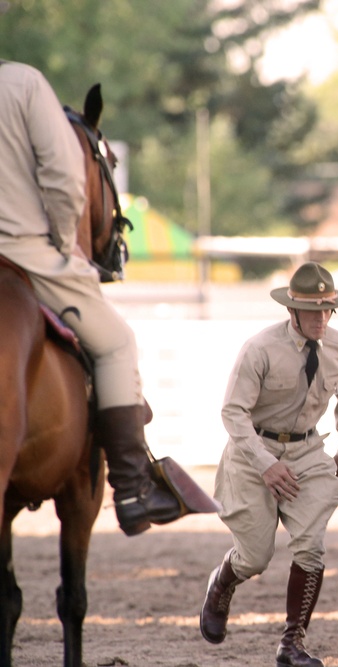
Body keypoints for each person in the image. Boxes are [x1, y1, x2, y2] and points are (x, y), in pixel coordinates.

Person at [0, 59, 215, 536]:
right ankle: (133, 488)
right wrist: (62, 243)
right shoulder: (23, 83)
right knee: (117, 341)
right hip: (22, 252)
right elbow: (64, 173)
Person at [200, 262, 338, 667]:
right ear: (291, 310)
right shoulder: (260, 349)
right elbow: (233, 412)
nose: (321, 319)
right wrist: (265, 463)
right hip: (252, 451)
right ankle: (223, 581)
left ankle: (293, 643)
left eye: (327, 310)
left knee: (311, 546)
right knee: (255, 557)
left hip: (308, 452)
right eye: (311, 311)